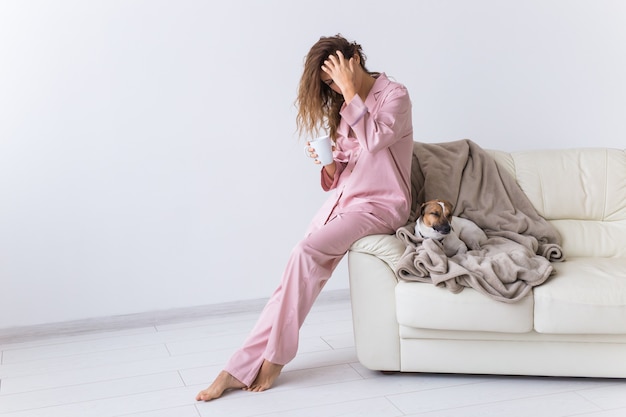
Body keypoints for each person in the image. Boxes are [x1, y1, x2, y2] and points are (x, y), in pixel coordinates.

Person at [196, 34, 414, 401]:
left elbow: (375, 139)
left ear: (355, 58)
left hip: (380, 205)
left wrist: (348, 91)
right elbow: (343, 171)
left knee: (304, 252)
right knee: (291, 277)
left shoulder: (395, 95)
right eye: (328, 83)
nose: (334, 86)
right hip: (345, 203)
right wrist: (329, 164)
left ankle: (276, 358)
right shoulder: (345, 107)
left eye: (336, 76)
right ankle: (237, 368)